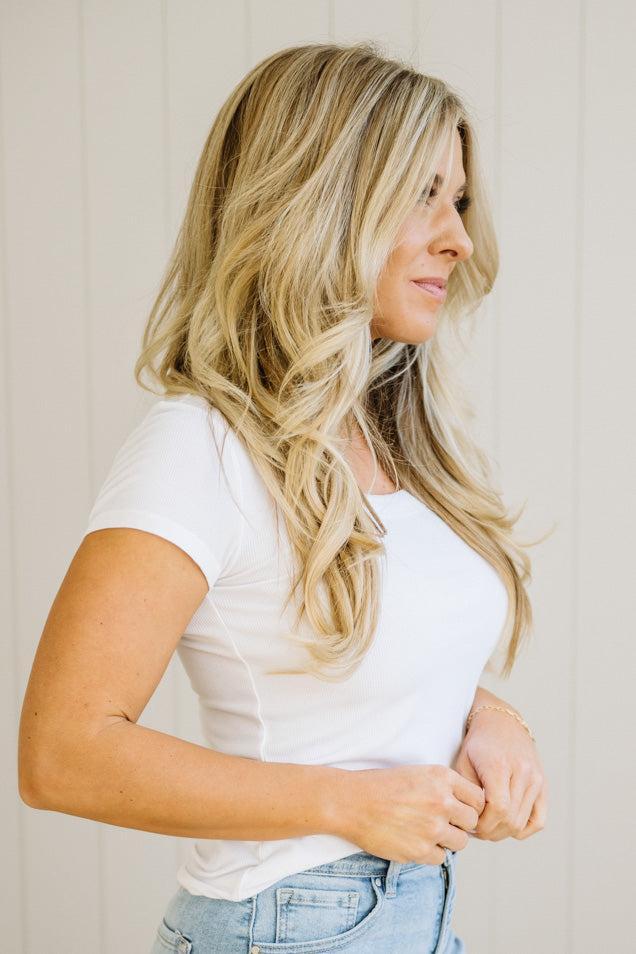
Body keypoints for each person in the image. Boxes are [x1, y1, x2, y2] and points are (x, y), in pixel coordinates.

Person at [18, 41, 548, 954]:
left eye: (457, 199)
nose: (458, 235)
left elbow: (350, 661)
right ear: (318, 201)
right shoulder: (199, 446)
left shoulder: (386, 439)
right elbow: (62, 751)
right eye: (422, 193)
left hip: (414, 917)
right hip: (287, 927)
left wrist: (484, 715)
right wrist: (348, 801)